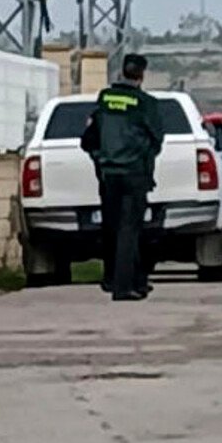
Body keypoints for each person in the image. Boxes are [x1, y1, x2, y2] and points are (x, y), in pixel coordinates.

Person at [81, 53, 165, 301]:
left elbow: (90, 138)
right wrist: (144, 159)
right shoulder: (146, 103)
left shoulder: (105, 98)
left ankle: (129, 280)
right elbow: (156, 138)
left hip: (108, 173)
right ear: (141, 76)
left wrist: (100, 159)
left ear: (122, 72)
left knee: (113, 227)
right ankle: (123, 287)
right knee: (130, 229)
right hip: (134, 173)